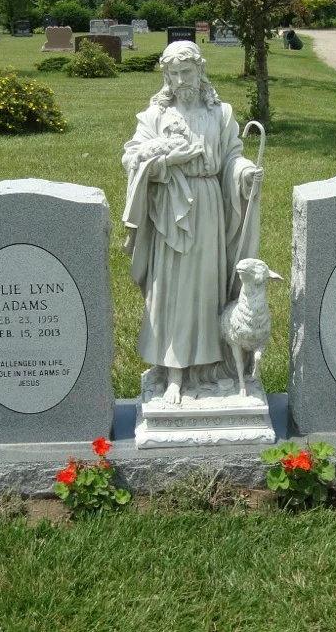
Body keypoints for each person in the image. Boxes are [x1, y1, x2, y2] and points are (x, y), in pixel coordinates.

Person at [122, 41, 263, 405]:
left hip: (208, 207)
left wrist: (245, 173)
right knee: (173, 291)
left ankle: (210, 369)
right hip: (170, 208)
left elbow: (232, 157)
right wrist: (167, 162)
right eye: (173, 73)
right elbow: (132, 159)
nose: (181, 79)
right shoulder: (155, 116)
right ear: (166, 77)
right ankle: (173, 372)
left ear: (200, 71)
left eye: (187, 71)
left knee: (206, 290)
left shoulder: (221, 114)